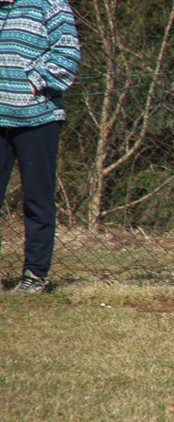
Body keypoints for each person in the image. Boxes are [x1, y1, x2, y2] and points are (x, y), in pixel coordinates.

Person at [0, 0, 81, 292]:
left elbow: (67, 55)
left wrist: (33, 81)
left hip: (39, 118)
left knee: (37, 200)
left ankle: (34, 276)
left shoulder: (50, 5)